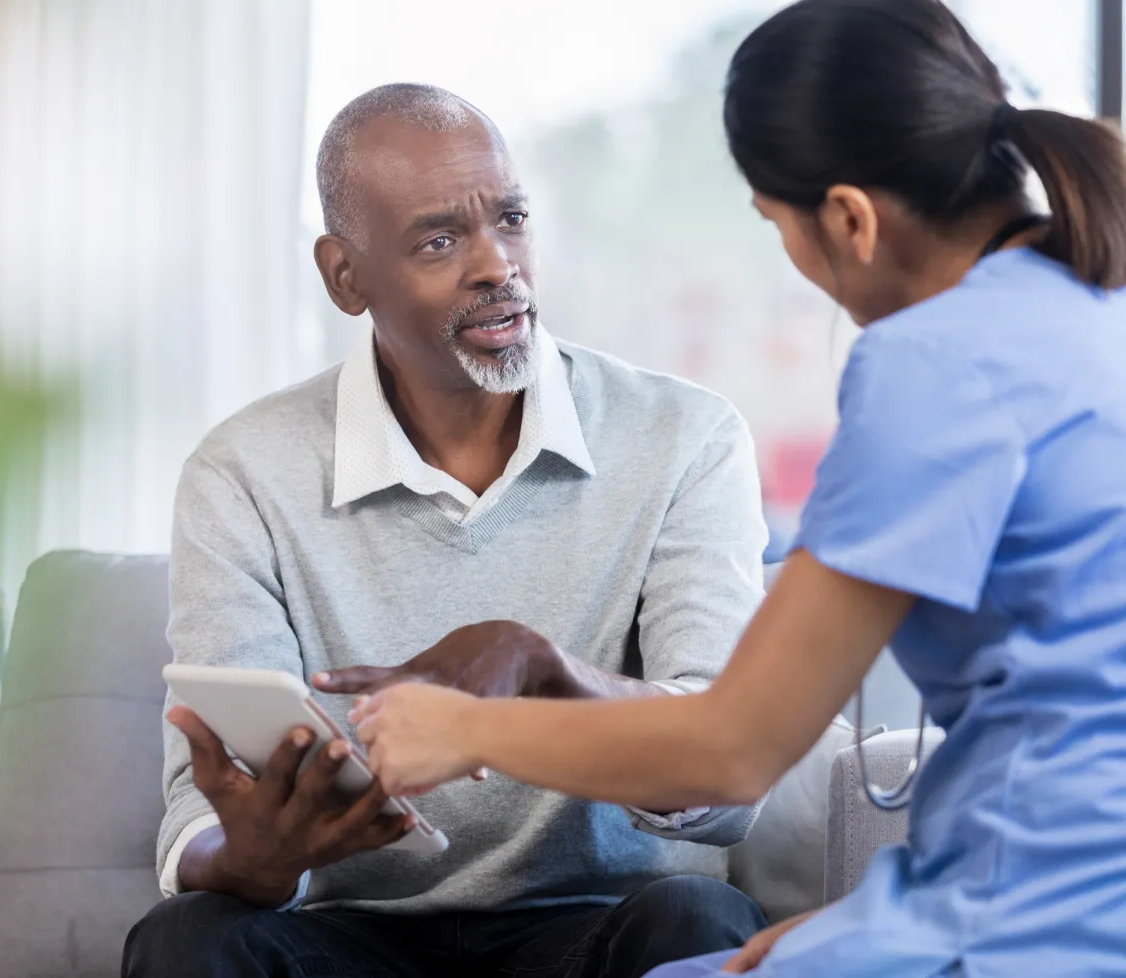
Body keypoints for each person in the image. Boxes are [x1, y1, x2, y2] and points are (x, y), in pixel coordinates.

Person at [350, 2, 1126, 976]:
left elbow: (731, 748)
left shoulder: (933, 364)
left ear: (848, 218)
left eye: (776, 227)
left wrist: (461, 728)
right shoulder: (1093, 309)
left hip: (1040, 924)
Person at [122, 84, 772, 978]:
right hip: (350, 938)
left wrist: (545, 670)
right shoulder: (242, 472)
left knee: (701, 919)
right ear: (345, 277)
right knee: (187, 939)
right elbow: (196, 821)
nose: (496, 265)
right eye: (439, 239)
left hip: (598, 928)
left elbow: (728, 778)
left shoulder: (686, 436)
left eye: (510, 219)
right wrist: (248, 861)